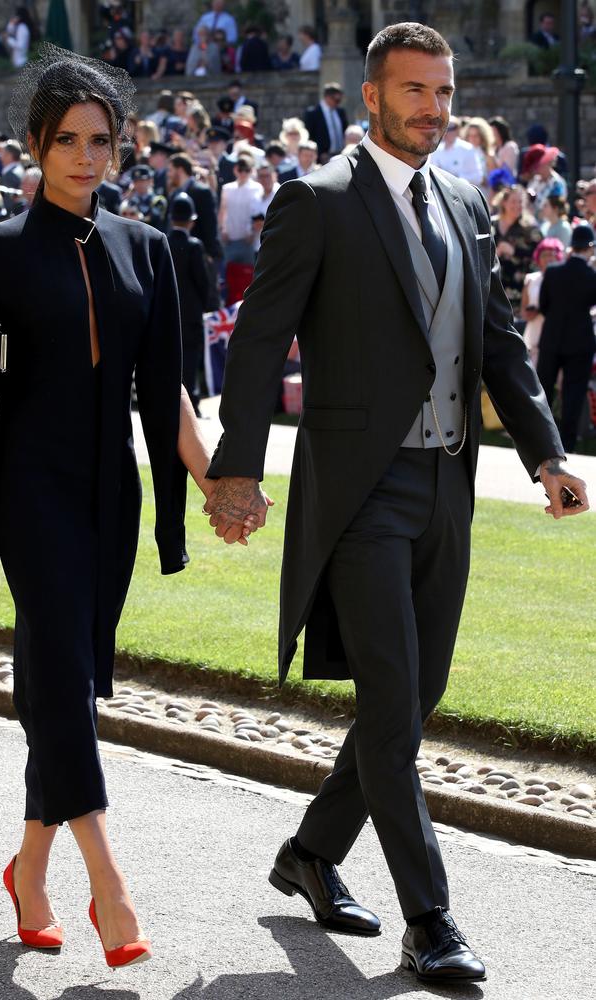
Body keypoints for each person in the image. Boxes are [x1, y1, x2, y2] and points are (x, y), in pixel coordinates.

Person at [203, 21, 588, 985]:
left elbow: (498, 341)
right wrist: (237, 468)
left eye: (444, 92)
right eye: (414, 90)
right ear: (372, 96)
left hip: (447, 484)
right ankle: (433, 919)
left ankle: (310, 854)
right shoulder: (315, 200)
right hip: (359, 491)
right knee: (388, 700)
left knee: (415, 701)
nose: (433, 107)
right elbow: (259, 343)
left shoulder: (464, 202)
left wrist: (546, 454)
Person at [0, 43, 219, 970]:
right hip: (28, 488)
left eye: (101, 140)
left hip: (115, 493)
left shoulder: (148, 247)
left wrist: (216, 478)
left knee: (62, 680)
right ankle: (109, 882)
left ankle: (27, 868)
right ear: (34, 144)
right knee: (58, 669)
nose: (85, 157)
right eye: (67, 139)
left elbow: (168, 391)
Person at [537, 223, 596, 451]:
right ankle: (567, 446)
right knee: (573, 394)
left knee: (543, 391)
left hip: (552, 337)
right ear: (589, 247)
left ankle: (541, 442)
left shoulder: (553, 272)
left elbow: (544, 306)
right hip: (580, 341)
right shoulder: (591, 276)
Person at [167, 192, 211, 415]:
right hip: (191, 312)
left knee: (170, 356)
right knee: (191, 359)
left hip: (167, 311)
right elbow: (202, 281)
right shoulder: (193, 246)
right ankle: (190, 403)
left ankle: (169, 399)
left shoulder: (162, 241)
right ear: (191, 221)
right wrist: (206, 305)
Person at [491, 184, 542, 315]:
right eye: (513, 201)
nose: (517, 205)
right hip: (493, 289)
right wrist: (495, 253)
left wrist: (514, 252)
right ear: (504, 202)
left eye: (521, 202)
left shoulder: (530, 228)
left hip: (519, 291)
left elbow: (540, 254)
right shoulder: (490, 224)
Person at [521, 236, 565, 368]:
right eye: (545, 255)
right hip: (534, 330)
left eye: (552, 254)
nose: (549, 258)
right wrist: (530, 314)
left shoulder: (563, 280)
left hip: (555, 332)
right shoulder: (531, 279)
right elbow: (523, 310)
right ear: (538, 257)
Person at [218, 155, 262, 265]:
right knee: (229, 276)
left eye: (247, 170)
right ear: (235, 170)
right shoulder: (227, 188)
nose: (243, 173)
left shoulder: (257, 188)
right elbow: (223, 210)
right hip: (230, 239)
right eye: (240, 169)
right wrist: (222, 230)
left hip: (248, 240)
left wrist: (253, 232)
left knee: (248, 276)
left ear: (251, 171)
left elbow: (258, 212)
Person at [430, 116, 482, 184]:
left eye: (451, 128)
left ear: (458, 129)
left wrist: (457, 179)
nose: (447, 132)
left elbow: (478, 177)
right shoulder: (435, 151)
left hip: (461, 192)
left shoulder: (467, 149)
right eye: (444, 128)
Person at [304, 84, 348, 162]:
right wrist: (320, 153)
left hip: (340, 155)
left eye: (339, 100)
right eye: (336, 100)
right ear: (327, 97)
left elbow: (345, 131)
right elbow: (310, 135)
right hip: (323, 157)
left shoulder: (340, 112)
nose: (338, 103)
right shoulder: (313, 113)